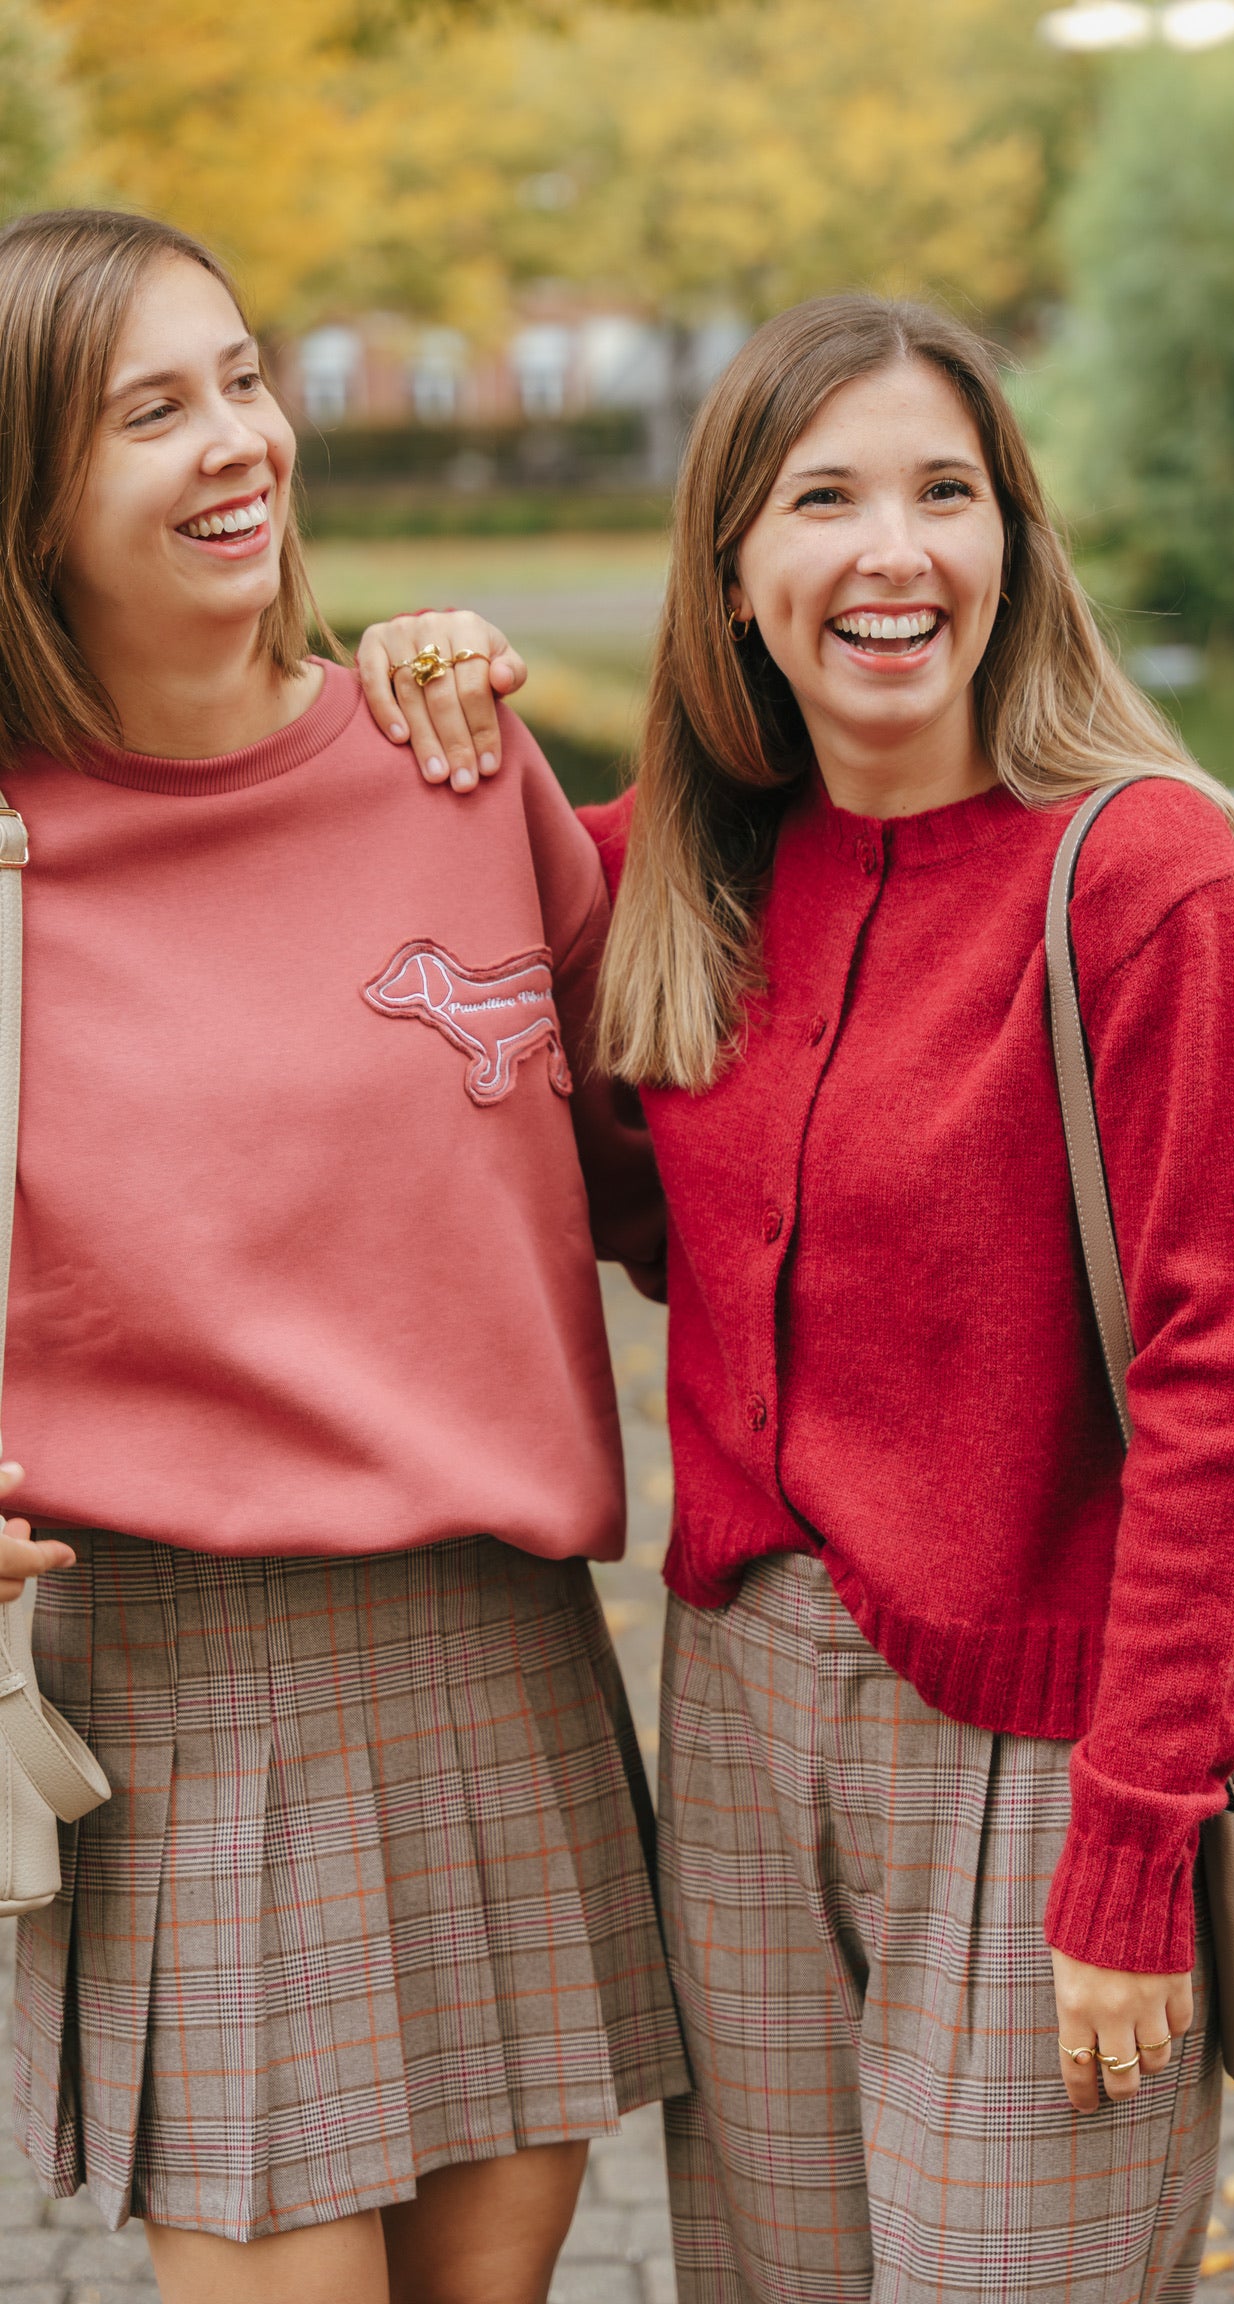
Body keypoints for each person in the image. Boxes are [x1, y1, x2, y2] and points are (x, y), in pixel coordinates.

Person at [367, 292, 1234, 2304]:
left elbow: (1220, 1398)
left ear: (1011, 547)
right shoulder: (679, 878)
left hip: (1041, 1731)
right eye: (824, 497)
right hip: (735, 1715)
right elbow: (579, 1168)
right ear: (734, 572)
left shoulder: (1143, 879)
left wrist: (1138, 1848)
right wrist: (408, 680)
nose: (891, 552)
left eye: (945, 493)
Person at [0, 206, 687, 2304]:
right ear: (29, 499)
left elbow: (680, 1177)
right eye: (150, 413)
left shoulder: (455, 764)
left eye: (243, 380)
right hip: (189, 1691)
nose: (238, 444)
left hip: (498, 1657)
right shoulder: (7, 866)